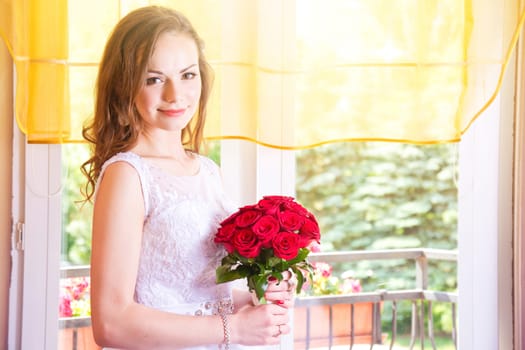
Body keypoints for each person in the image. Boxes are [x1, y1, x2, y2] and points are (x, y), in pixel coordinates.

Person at [81, 5, 295, 350]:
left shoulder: (207, 170)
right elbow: (111, 323)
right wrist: (234, 329)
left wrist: (253, 301)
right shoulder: (128, 175)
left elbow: (200, 297)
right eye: (154, 79)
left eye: (187, 75)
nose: (174, 95)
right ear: (124, 85)